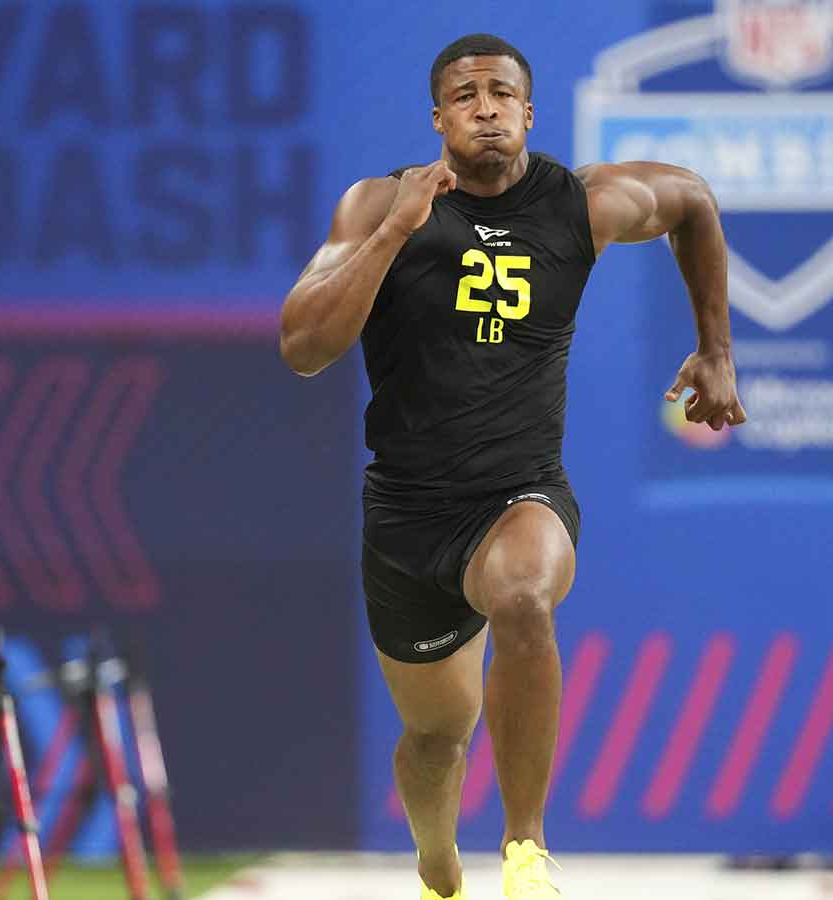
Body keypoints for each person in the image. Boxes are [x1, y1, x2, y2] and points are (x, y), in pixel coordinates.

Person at [278, 32, 748, 900]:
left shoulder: (582, 203)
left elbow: (692, 201)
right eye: (465, 96)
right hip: (409, 514)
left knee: (526, 596)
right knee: (435, 737)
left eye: (502, 92)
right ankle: (437, 864)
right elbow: (305, 347)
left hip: (518, 492)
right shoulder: (378, 202)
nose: (485, 107)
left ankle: (525, 852)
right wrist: (394, 231)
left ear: (530, 112)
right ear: (439, 120)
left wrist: (716, 349)